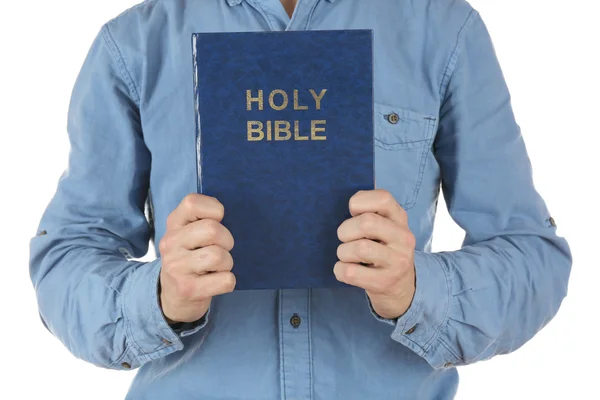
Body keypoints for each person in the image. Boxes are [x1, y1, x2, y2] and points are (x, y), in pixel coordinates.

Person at [29, 0, 572, 399]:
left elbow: (533, 255)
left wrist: (415, 290)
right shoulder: (132, 47)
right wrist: (160, 298)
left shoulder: (442, 30)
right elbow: (65, 262)